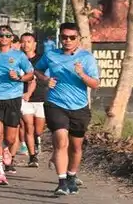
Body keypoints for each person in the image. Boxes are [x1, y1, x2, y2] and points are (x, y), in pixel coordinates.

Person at [34, 22, 99, 196]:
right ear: (60, 37)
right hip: (56, 103)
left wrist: (82, 74)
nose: (68, 40)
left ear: (78, 38)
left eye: (72, 37)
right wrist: (45, 80)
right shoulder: (51, 55)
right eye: (64, 37)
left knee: (76, 146)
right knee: (61, 140)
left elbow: (95, 84)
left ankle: (71, 175)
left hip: (79, 106)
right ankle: (62, 182)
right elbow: (37, 70)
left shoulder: (87, 58)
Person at [0, 25, 34, 185]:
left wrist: (18, 77)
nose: (4, 38)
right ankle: (0, 172)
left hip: (13, 99)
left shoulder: (19, 56)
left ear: (12, 38)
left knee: (10, 138)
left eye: (7, 35)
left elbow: (30, 75)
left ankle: (5, 149)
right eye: (0, 35)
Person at [19, 32, 46, 167]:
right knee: (28, 127)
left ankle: (37, 140)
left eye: (29, 41)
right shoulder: (17, 58)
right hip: (25, 98)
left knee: (38, 130)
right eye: (23, 42)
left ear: (34, 44)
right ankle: (32, 156)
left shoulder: (42, 59)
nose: (26, 45)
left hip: (41, 98)